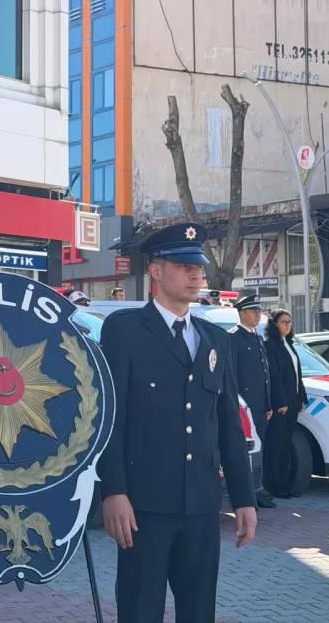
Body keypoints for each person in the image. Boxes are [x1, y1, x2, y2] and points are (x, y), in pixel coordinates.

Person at [98, 222, 256, 623]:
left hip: (202, 505)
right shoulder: (124, 330)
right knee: (139, 611)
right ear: (155, 271)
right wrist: (113, 490)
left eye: (198, 268)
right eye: (184, 266)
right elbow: (108, 418)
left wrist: (243, 498)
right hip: (144, 506)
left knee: (199, 611)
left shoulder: (214, 339)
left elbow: (227, 425)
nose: (195, 276)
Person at [229, 294, 275, 509]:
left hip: (259, 406)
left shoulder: (256, 337)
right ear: (242, 313)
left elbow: (264, 376)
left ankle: (258, 488)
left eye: (259, 310)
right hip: (244, 408)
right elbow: (233, 377)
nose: (258, 315)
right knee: (244, 452)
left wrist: (267, 404)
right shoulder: (234, 338)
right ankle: (247, 493)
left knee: (260, 449)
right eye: (253, 311)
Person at [262, 309, 307, 499]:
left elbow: (297, 374)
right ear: (274, 324)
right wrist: (280, 401)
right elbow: (274, 376)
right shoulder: (270, 345)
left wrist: (302, 398)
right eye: (283, 322)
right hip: (281, 404)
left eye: (289, 322)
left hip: (293, 403)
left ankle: (285, 484)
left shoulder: (288, 343)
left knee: (286, 444)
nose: (288, 325)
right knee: (276, 445)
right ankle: (274, 486)